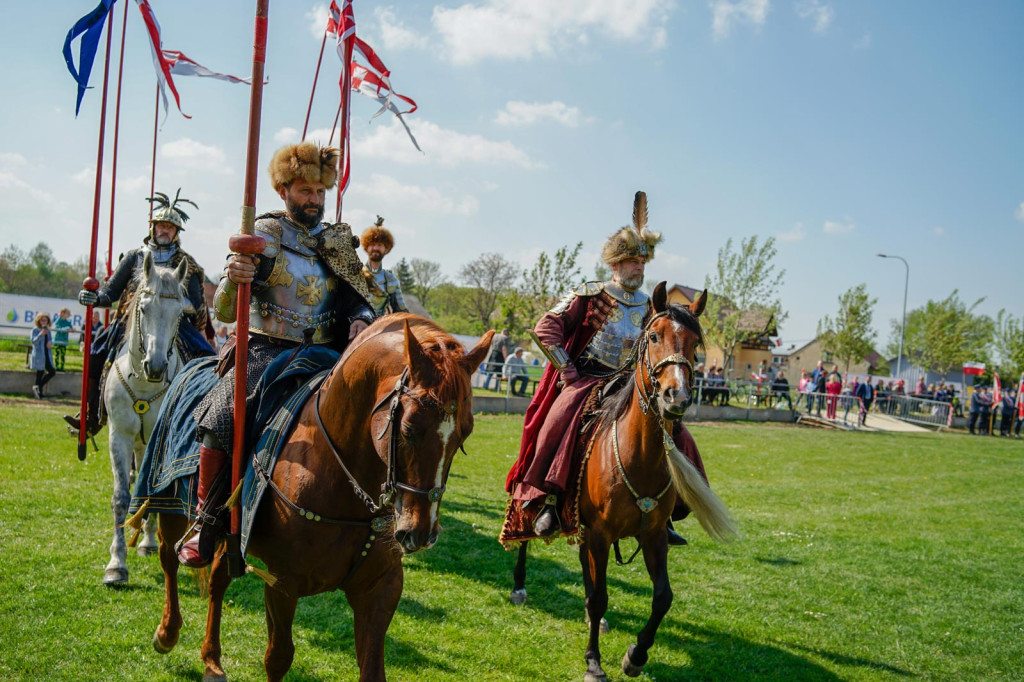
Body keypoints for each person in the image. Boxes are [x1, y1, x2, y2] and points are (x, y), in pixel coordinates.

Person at [180, 142, 376, 568]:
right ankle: (206, 520)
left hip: (325, 352)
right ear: (284, 189)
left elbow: (355, 296)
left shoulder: (336, 242)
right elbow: (225, 311)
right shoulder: (265, 234)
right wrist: (234, 277)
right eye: (306, 191)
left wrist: (361, 317)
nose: (315, 201)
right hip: (266, 350)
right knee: (221, 416)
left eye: (320, 193)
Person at [505, 195, 706, 547]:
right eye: (632, 261)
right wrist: (566, 370)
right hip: (586, 378)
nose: (639, 268)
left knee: (679, 431)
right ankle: (548, 500)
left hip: (631, 384)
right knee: (559, 420)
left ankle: (671, 508)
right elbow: (545, 327)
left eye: (642, 262)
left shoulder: (650, 307)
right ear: (615, 264)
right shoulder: (588, 294)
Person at [64, 189, 212, 437]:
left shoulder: (188, 264)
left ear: (176, 233)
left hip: (174, 324)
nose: (165, 230)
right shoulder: (134, 257)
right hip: (130, 321)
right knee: (95, 353)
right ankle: (92, 415)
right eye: (160, 226)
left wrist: (170, 304)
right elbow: (110, 293)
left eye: (170, 227)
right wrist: (93, 298)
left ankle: (201, 422)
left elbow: (197, 306)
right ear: (152, 228)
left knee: (208, 360)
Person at [361, 215, 409, 317]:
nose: (375, 248)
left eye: (379, 245)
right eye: (372, 244)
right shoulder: (355, 274)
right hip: (354, 327)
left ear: (386, 249)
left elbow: (401, 312)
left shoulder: (390, 279)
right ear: (366, 247)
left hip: (379, 328)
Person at [30, 313, 56, 399]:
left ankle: (38, 387)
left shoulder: (48, 331)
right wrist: (41, 334)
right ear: (38, 321)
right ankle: (39, 392)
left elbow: (50, 340)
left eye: (45, 320)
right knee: (40, 372)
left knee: (52, 371)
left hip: (46, 354)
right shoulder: (35, 330)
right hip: (39, 355)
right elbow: (34, 341)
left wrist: (50, 343)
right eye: (42, 320)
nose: (44, 322)